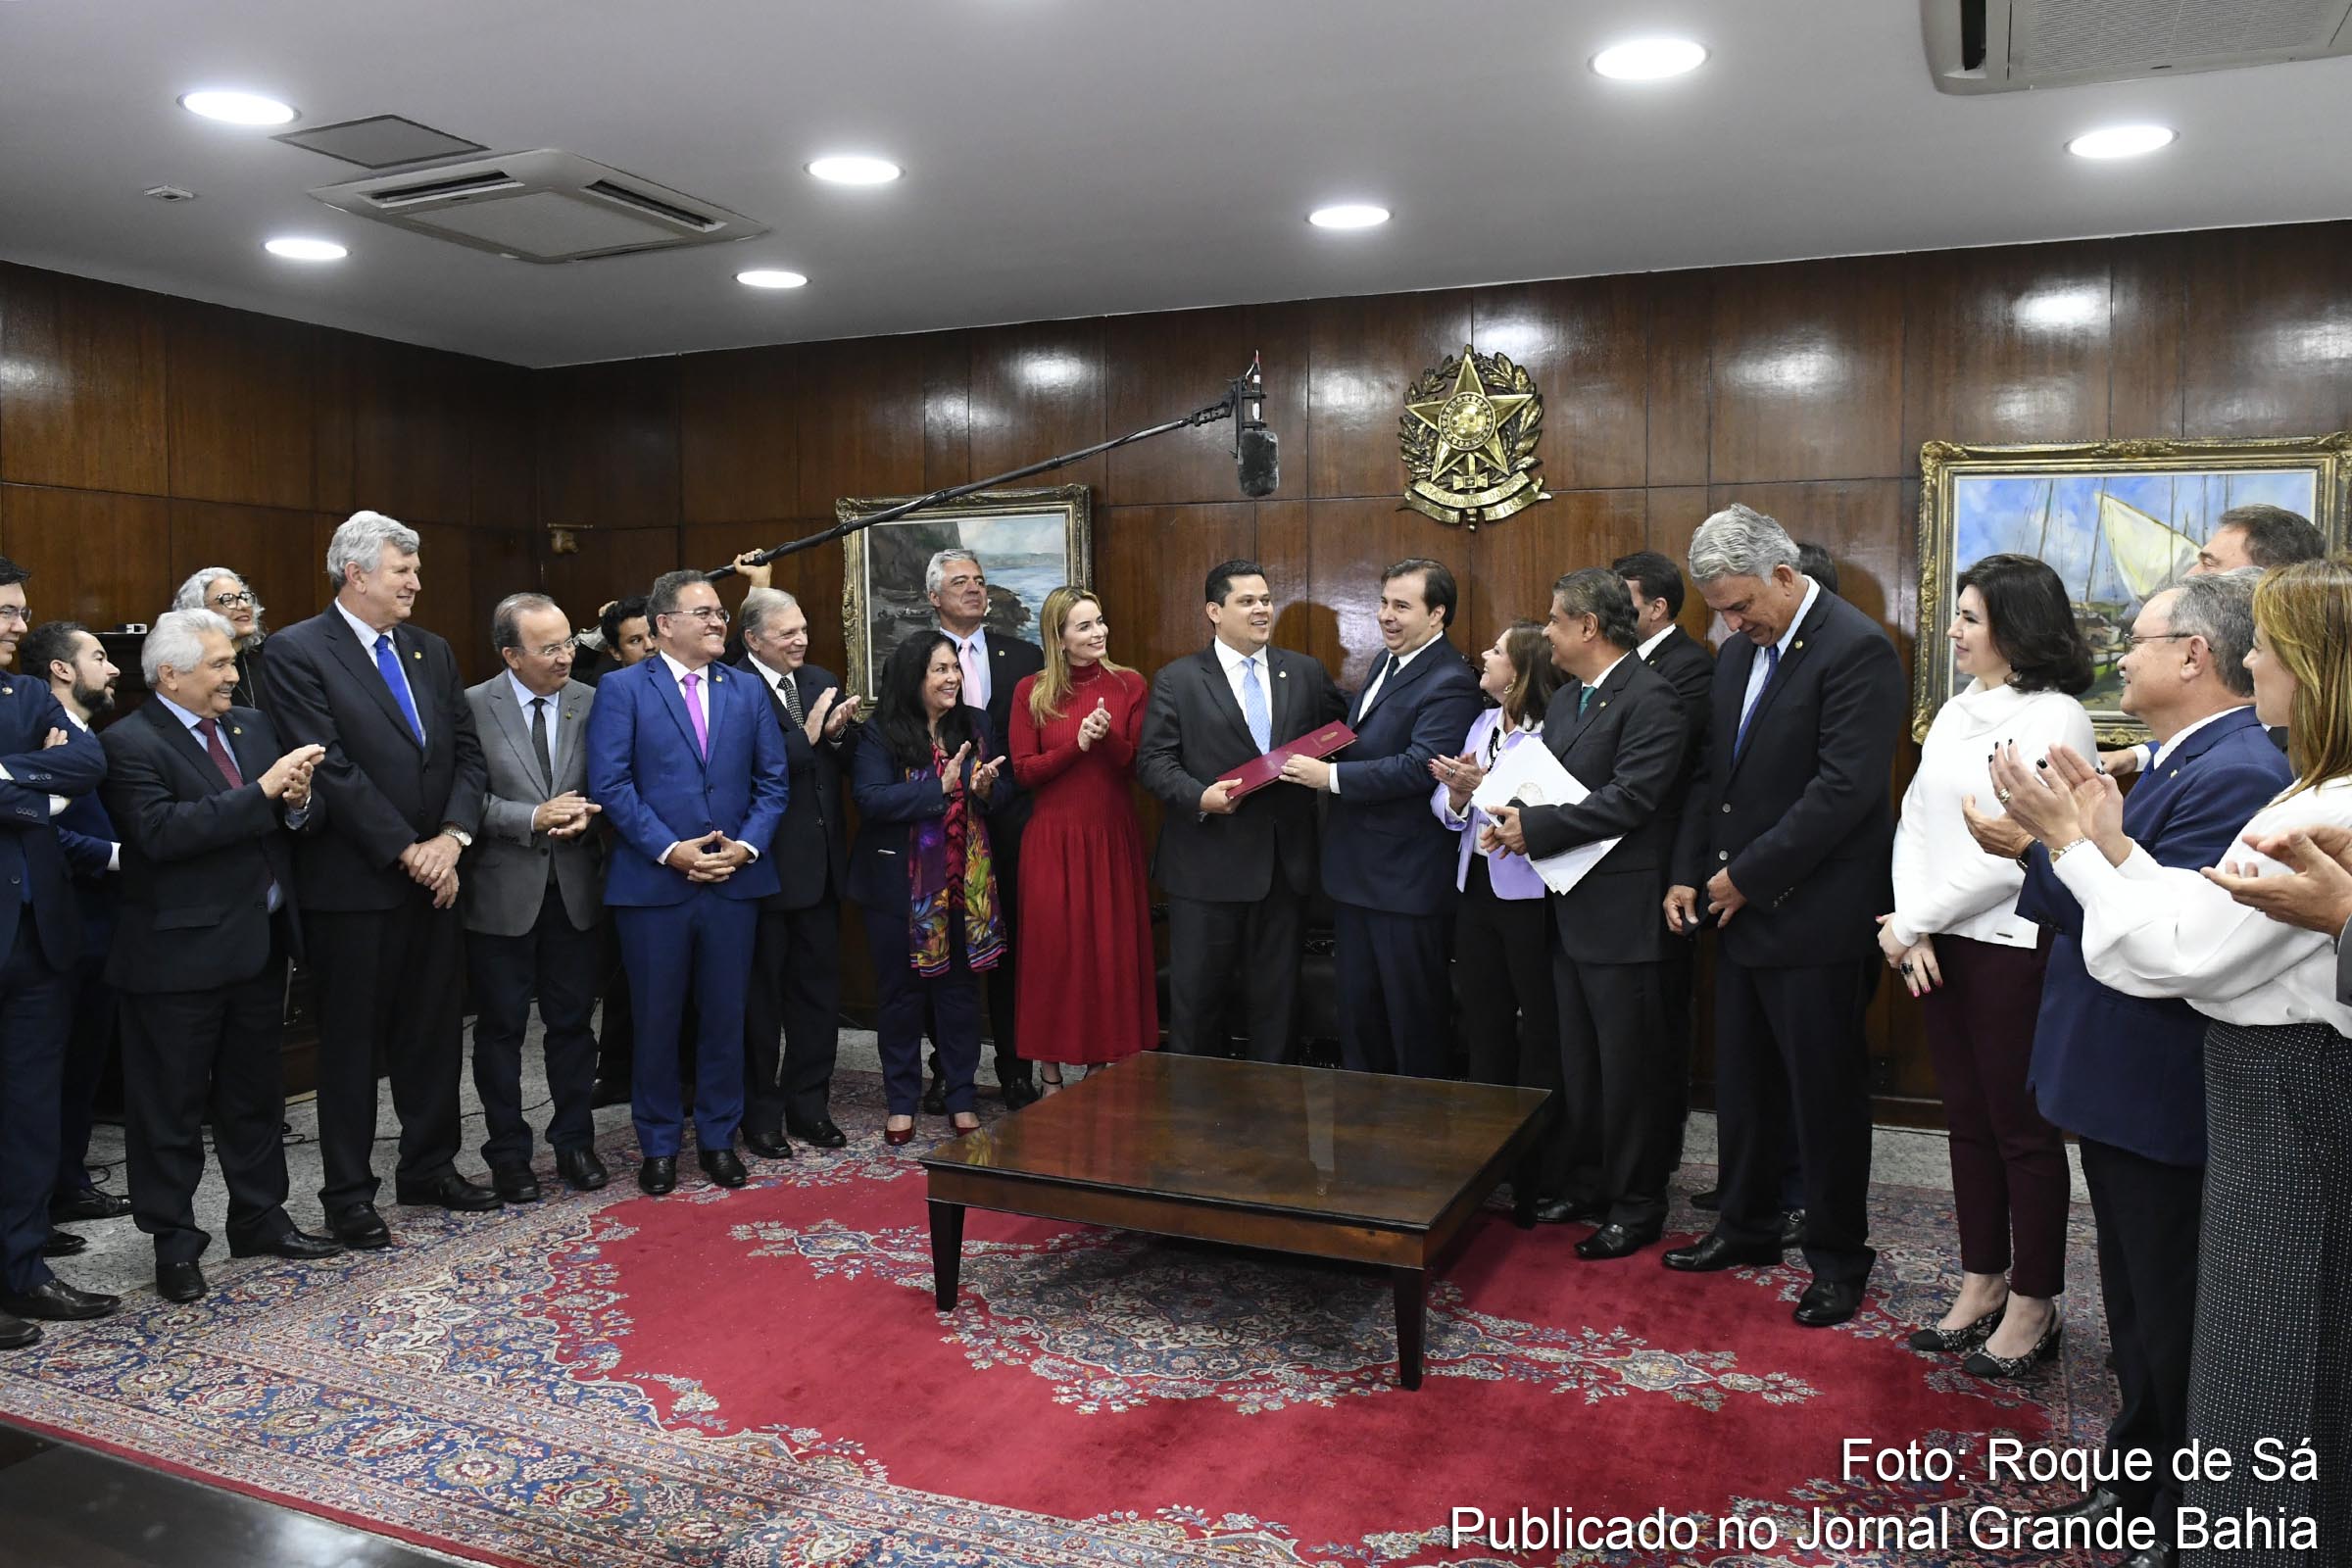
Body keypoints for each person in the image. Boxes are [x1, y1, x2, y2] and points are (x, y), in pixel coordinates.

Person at [1992, 556, 2351, 1568]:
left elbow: (2176, 951)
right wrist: (2087, 838)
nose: (2260, 657)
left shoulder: (2259, 778)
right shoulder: (2232, 770)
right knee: (2170, 1315)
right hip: (2189, 1084)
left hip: (2247, 1091)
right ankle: (2167, 1490)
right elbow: (2169, 915)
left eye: (2275, 645)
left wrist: (2066, 843)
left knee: (2251, 1342)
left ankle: (2207, 1515)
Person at [1662, 504, 1905, 1328]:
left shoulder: (1857, 649)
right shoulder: (1737, 654)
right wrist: (1699, 875)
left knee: (1824, 1098)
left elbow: (1843, 794)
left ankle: (1838, 1259)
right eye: (1720, 611)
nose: (1731, 624)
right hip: (1739, 910)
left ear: (1785, 575)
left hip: (1816, 917)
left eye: (1740, 606)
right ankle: (1747, 1226)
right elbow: (1714, 781)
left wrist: (1744, 879)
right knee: (1744, 1086)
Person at [1880, 555, 2096, 1375]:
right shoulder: (1957, 711)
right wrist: (1916, 926)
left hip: (2011, 943)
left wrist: (1911, 921)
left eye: (1970, 617)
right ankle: (1983, 1281)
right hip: (1937, 943)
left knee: (2022, 1132)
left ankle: (2037, 1304)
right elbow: (1915, 826)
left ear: (2016, 626)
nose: (1954, 631)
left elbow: (2019, 854)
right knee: (1966, 1122)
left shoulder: (2058, 715)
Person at [99, 610, 343, 1302]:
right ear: (169, 674)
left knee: (255, 1098)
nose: (234, 676)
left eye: (233, 663)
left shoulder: (253, 728)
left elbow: (298, 820)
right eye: (218, 666)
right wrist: (264, 792)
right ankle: (175, 1243)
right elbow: (161, 833)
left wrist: (295, 802)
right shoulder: (129, 744)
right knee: (169, 1110)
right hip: (173, 960)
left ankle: (260, 1217)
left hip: (259, 948)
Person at [267, 512, 493, 1249]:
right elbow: (328, 764)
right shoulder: (295, 651)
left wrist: (452, 842)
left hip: (436, 876)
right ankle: (348, 1194)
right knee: (353, 1048)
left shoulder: (430, 650)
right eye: (403, 570)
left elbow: (467, 753)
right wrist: (408, 850)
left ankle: (429, 1167)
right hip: (354, 886)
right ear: (356, 573)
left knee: (433, 1033)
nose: (416, 583)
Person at [1482, 572, 1689, 1255]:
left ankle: (1637, 1201)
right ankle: (1591, 1179)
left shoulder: (1653, 698)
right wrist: (1507, 820)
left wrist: (1533, 829)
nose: (1545, 632)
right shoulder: (1568, 698)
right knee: (1583, 1062)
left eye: (1553, 620)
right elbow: (1541, 783)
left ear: (1589, 628)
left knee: (1631, 1066)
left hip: (1623, 911)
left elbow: (1633, 798)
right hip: (1567, 907)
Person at [587, 568, 789, 1196]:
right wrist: (672, 851)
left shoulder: (746, 690)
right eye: (703, 612)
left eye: (721, 613)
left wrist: (745, 846)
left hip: (732, 881)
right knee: (656, 1018)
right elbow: (612, 785)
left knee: (726, 1016)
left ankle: (719, 1140)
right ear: (663, 624)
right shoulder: (623, 688)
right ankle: (657, 1145)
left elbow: (772, 783)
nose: (717, 622)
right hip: (655, 887)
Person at [1137, 560, 1344, 1063]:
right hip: (1207, 867)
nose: (1261, 610)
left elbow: (1337, 736)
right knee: (1198, 1004)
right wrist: (1199, 796)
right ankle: (1197, 1112)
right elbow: (1154, 762)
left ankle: (1273, 1113)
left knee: (1278, 1004)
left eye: (1266, 599)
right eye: (1247, 601)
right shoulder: (1177, 680)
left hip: (1284, 868)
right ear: (1214, 611)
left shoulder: (1305, 671)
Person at [1283, 558, 1480, 1076]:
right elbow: (1364, 734)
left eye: (1401, 606)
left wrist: (1331, 779)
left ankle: (1418, 1137)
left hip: (1405, 882)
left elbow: (1422, 767)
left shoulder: (1450, 681)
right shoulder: (1387, 663)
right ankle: (1363, 1128)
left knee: (1412, 1024)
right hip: (1357, 877)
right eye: (1383, 603)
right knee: (1360, 1020)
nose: (1385, 616)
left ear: (1438, 615)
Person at [0, 556, 119, 1343]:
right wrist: (31, 784)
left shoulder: (29, 693)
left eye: (20, 612)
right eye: (5, 611)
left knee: (31, 1118)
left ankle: (21, 1271)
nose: (17, 624)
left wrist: (9, 778)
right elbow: (54, 781)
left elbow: (87, 761)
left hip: (41, 944)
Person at [461, 594, 608, 1200]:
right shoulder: (472, 706)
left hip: (574, 891)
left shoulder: (593, 702)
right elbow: (462, 796)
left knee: (573, 1025)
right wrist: (532, 817)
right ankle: (508, 1154)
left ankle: (574, 1142)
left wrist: (588, 818)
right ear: (511, 656)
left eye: (569, 641)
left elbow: (611, 782)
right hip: (501, 893)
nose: (565, 655)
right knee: (500, 1029)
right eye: (549, 648)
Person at [849, 632, 1014, 1143]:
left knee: (960, 997)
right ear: (913, 677)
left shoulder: (977, 724)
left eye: (954, 669)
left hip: (966, 886)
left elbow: (1000, 793)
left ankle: (961, 1095)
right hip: (898, 888)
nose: (952, 678)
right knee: (899, 996)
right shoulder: (879, 733)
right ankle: (901, 1100)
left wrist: (985, 789)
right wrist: (935, 790)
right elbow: (871, 799)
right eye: (939, 669)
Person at [1429, 620, 1561, 1197]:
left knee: (1538, 1025)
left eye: (1498, 650)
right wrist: (1460, 794)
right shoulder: (1482, 721)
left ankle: (1539, 1160)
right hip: (1475, 887)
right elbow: (1445, 805)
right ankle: (1486, 1153)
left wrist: (1488, 790)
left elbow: (1554, 807)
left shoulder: (1554, 730)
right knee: (1483, 1020)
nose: (1485, 654)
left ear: (1521, 670)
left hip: (1531, 895)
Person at [1008, 587, 1156, 1088]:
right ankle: (1049, 1073)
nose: (1099, 633)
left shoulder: (1130, 684)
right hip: (1052, 840)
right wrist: (1077, 743)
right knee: (1052, 954)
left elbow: (1138, 765)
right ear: (1059, 636)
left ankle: (1100, 1067)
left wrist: (1107, 737)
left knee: (1107, 955)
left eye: (1100, 622)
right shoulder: (1031, 689)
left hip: (1111, 838)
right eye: (1085, 626)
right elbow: (1025, 772)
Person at [738, 586, 858, 1151]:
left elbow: (845, 762)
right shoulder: (733, 688)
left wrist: (836, 735)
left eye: (804, 628)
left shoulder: (819, 681)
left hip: (822, 870)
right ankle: (760, 1113)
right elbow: (739, 768)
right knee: (760, 1003)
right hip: (764, 870)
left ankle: (809, 1104)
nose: (801, 640)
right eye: (787, 633)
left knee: (817, 996)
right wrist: (808, 738)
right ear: (753, 639)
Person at [21, 622, 129, 1243]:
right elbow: (42, 831)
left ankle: (67, 1183)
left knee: (83, 1066)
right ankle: (39, 1204)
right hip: (63, 927)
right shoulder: (43, 737)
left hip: (103, 928)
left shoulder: (91, 737)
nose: (114, 668)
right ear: (63, 670)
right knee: (50, 1074)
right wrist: (117, 857)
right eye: (100, 656)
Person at [924, 548, 1042, 1110]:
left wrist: (1000, 792)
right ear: (934, 598)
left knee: (1012, 950)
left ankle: (1016, 1067)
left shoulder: (1023, 654)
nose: (973, 588)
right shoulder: (917, 657)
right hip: (940, 826)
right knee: (945, 948)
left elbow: (1035, 742)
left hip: (1012, 822)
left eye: (979, 580)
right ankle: (948, 1069)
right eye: (959, 582)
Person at [1613, 549, 1716, 1169]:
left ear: (1656, 609)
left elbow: (1676, 779)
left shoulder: (1687, 669)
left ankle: (1658, 1158)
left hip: (1663, 861)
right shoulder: (1619, 668)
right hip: (1607, 864)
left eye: (1622, 607)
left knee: (1658, 1022)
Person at [2101, 504, 2325, 780]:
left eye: (2209, 563)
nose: (2189, 575)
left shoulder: (2303, 693)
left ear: (2262, 577)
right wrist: (2139, 754)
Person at [588, 592, 657, 1102]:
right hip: (624, 846)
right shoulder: (609, 691)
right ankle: (615, 1074)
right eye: (635, 641)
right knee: (624, 976)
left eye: (652, 634)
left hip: (692, 847)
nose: (649, 647)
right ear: (615, 652)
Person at [172, 567, 272, 714]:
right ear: (200, 610)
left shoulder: (270, 656)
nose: (243, 605)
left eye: (245, 597)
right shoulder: (190, 669)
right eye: (228, 599)